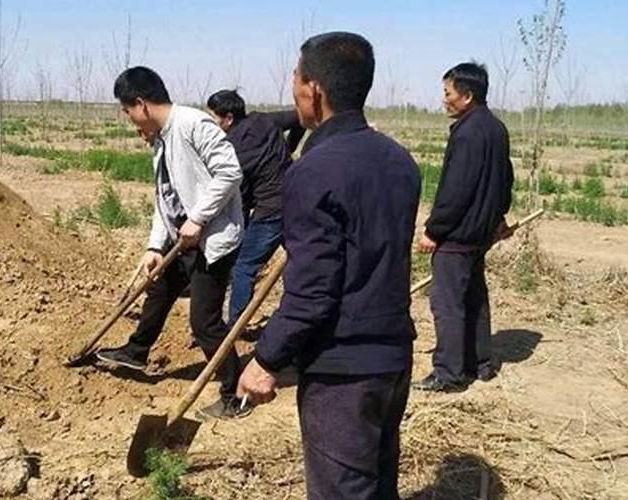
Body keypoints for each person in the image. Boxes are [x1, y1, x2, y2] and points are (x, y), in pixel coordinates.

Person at [236, 32, 421, 499]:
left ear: (313, 89)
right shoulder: (401, 162)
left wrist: (267, 358)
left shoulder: (314, 171)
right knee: (378, 486)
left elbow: (313, 292)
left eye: (295, 78)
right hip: (393, 359)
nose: (292, 89)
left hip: (343, 373)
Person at [95, 66, 251, 419]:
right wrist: (154, 246)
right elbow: (165, 199)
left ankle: (235, 392)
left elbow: (230, 172)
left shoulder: (194, 125)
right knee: (160, 289)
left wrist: (198, 218)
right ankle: (136, 352)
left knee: (205, 323)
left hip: (214, 240)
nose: (128, 119)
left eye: (126, 110)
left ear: (141, 104)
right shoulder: (162, 139)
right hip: (186, 238)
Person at [414, 62, 514, 393]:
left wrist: (434, 229)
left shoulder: (468, 132)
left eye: (448, 93)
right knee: (474, 298)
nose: (444, 99)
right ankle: (480, 363)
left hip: (458, 236)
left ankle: (449, 373)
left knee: (448, 304)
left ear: (467, 96)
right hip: (480, 233)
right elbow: (505, 180)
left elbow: (456, 190)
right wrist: (498, 217)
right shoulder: (496, 128)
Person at [206, 89, 304, 326]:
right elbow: (301, 117)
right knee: (303, 259)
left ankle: (235, 326)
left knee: (243, 268)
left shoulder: (233, 149)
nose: (211, 123)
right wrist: (289, 149)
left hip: (272, 211)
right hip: (299, 199)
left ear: (228, 118)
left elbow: (242, 198)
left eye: (213, 118)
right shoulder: (263, 119)